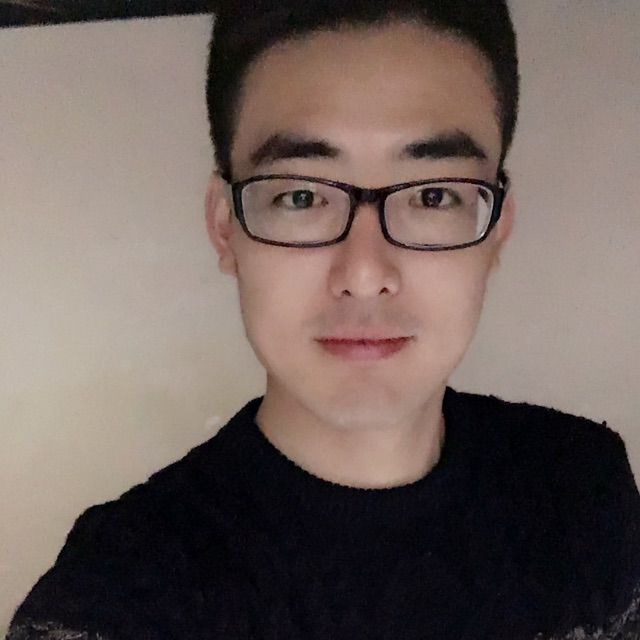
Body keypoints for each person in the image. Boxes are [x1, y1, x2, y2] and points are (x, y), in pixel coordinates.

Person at [6, 0, 640, 638]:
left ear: (497, 230)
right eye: (301, 195)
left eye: (433, 195)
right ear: (225, 229)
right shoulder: (115, 595)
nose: (364, 273)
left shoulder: (581, 488)